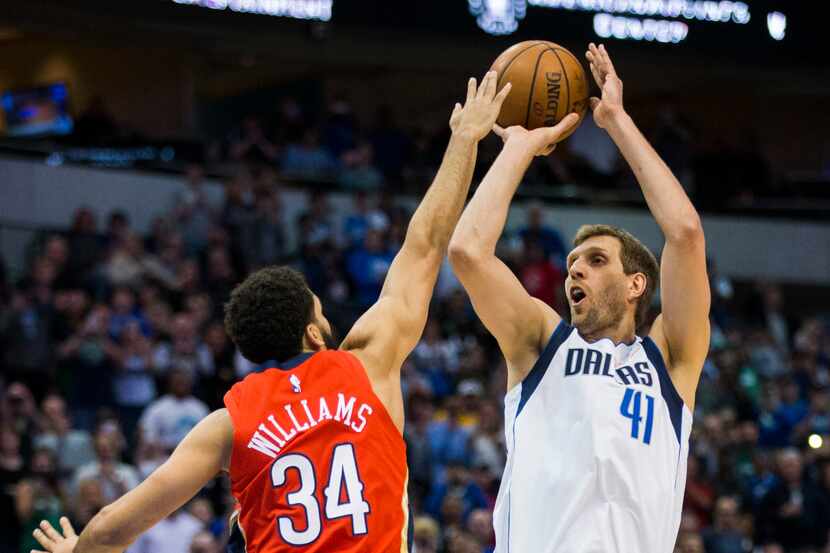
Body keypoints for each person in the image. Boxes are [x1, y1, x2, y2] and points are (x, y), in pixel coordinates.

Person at [31, 71, 512, 553]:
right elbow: (425, 244)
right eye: (322, 313)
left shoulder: (228, 424)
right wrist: (465, 139)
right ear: (314, 332)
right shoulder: (368, 364)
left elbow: (112, 527)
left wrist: (78, 549)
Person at [448, 43, 710, 552]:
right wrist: (519, 147)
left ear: (637, 285)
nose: (576, 270)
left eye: (595, 260)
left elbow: (685, 233)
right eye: (572, 264)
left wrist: (615, 121)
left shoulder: (670, 360)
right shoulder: (542, 343)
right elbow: (468, 252)